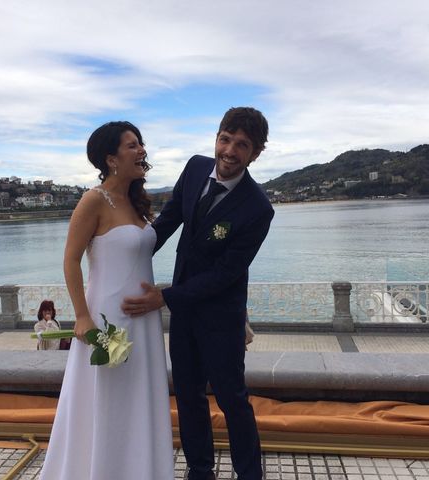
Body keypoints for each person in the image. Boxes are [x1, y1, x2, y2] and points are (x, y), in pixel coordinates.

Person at [122, 107, 275, 480]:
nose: (230, 151)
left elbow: (226, 274)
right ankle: (199, 470)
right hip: (186, 316)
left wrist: (165, 297)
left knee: (232, 400)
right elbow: (169, 219)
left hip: (222, 319)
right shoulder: (193, 168)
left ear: (255, 154)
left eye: (242, 145)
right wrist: (126, 255)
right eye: (226, 139)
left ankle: (250, 474)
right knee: (189, 398)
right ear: (217, 137)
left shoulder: (258, 208)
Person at [38, 122, 174, 480]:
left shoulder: (136, 202)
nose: (142, 150)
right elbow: (70, 259)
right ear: (112, 159)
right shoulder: (94, 200)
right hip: (107, 320)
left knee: (138, 399)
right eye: (133, 145)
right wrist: (81, 317)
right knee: (108, 401)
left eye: (141, 143)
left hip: (143, 321)